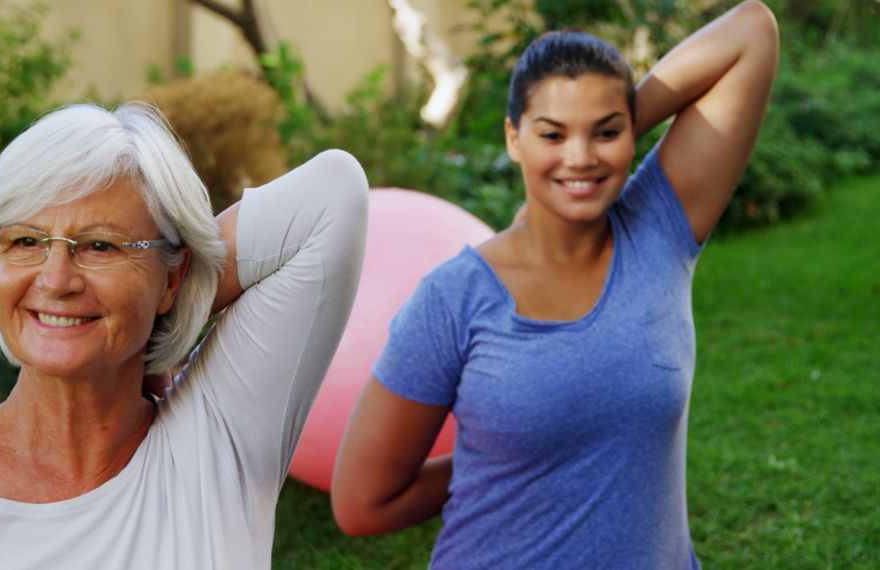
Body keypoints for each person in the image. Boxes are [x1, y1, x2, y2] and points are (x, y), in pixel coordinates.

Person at [0, 103, 369, 569]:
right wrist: (133, 310)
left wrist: (156, 317)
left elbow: (331, 196)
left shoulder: (215, 447)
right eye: (24, 241)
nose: (55, 280)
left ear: (172, 277)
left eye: (101, 245)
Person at [331, 1, 778, 568]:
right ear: (514, 139)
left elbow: (751, 31)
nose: (580, 155)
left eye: (605, 132)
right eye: (553, 134)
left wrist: (598, 135)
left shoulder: (659, 230)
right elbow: (361, 504)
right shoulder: (454, 298)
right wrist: (494, 463)